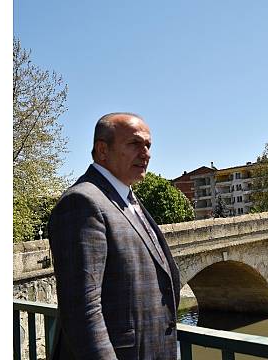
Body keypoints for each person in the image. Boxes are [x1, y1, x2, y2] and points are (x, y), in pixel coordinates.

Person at [48, 112, 181, 359]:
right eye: (134, 144)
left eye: (148, 145)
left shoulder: (126, 199)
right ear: (102, 150)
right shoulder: (82, 202)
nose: (146, 153)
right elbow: (82, 311)